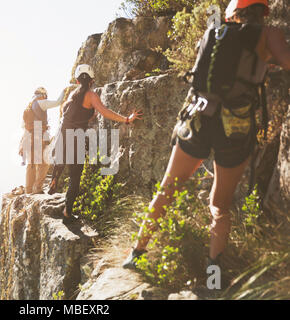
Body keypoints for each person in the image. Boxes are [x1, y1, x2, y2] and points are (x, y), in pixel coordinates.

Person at [122, 0, 290, 280]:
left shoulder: (214, 33)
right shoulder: (268, 35)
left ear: (234, 14)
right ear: (263, 11)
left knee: (167, 189)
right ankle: (213, 278)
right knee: (219, 207)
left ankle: (135, 254)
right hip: (233, 127)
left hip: (197, 118)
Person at [49, 64, 143, 223]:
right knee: (75, 176)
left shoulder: (72, 94)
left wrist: (85, 117)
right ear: (91, 81)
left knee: (61, 159)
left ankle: (55, 177)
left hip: (62, 133)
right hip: (76, 135)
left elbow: (67, 113)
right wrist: (126, 119)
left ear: (78, 81)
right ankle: (67, 213)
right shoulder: (91, 96)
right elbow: (105, 112)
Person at [20, 87, 65, 194]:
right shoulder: (41, 103)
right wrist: (65, 90)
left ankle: (29, 189)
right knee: (44, 163)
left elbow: (23, 126)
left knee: (31, 165)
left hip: (28, 138)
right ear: (43, 95)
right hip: (39, 137)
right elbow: (59, 101)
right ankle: (37, 188)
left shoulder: (28, 107)